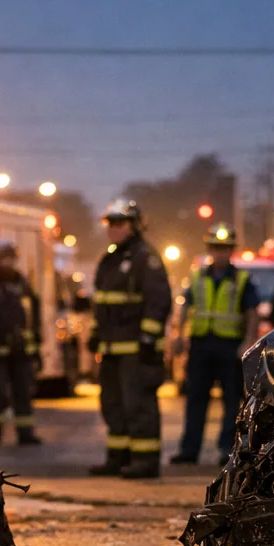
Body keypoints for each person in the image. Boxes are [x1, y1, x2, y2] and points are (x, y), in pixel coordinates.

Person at [88, 198, 172, 479]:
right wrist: (96, 333)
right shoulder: (110, 259)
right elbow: (102, 303)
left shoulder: (145, 258)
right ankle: (118, 458)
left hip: (137, 350)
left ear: (134, 226)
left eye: (119, 223)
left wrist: (148, 337)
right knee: (113, 405)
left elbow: (158, 301)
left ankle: (145, 461)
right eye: (110, 223)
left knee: (139, 405)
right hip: (112, 348)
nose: (112, 228)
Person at [171, 223, 259, 467]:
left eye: (225, 248)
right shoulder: (198, 276)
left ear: (231, 250)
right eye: (216, 248)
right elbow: (185, 306)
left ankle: (226, 450)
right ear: (210, 249)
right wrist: (179, 335)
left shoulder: (242, 279)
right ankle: (189, 450)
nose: (220, 253)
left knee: (231, 401)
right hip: (201, 345)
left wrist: (248, 342)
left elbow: (252, 312)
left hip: (229, 347)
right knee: (195, 399)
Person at [0, 239, 42, 445]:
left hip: (21, 349)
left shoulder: (24, 285)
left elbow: (34, 315)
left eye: (10, 258)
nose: (7, 263)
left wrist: (36, 344)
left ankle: (26, 433)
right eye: (3, 259)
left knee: (23, 391)